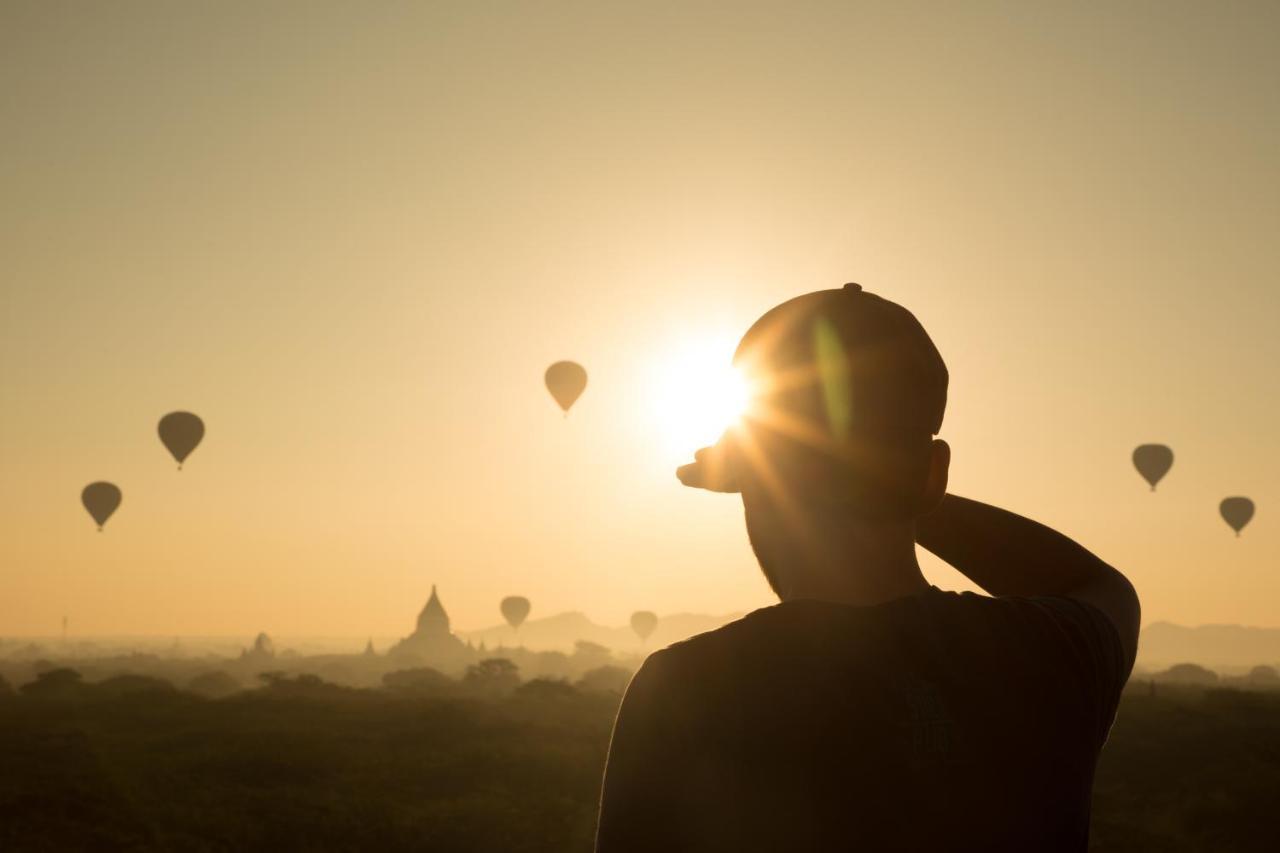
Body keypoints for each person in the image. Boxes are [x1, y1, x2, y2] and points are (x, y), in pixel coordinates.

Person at [596, 284, 1139, 852]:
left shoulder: (686, 692)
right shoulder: (1049, 658)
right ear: (935, 471)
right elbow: (1100, 584)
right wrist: (901, 487)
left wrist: (782, 466)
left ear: (751, 468)